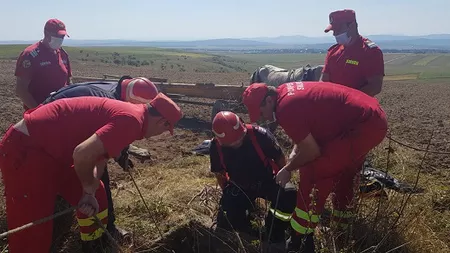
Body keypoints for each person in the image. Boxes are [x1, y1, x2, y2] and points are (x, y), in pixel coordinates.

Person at [0, 93, 182, 253]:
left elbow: (99, 156)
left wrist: (91, 191)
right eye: (166, 129)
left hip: (52, 153)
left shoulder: (134, 116)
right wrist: (87, 189)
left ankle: (92, 246)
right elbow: (82, 154)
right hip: (26, 150)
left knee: (99, 194)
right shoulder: (132, 121)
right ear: (162, 122)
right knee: (33, 235)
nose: (162, 134)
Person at [242, 82, 388, 253]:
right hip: (371, 117)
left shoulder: (285, 109)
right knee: (345, 175)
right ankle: (342, 232)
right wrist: (295, 153)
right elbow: (307, 131)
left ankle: (299, 241)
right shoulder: (285, 92)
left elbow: (312, 151)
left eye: (260, 112)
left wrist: (288, 169)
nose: (263, 118)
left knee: (313, 173)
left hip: (363, 125)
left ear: (268, 100)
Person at [41, 76, 159, 241]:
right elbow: (98, 147)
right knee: (97, 179)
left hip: (57, 118)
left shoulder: (118, 89)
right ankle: (105, 231)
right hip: (52, 129)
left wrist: (120, 153)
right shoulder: (109, 100)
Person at [210, 111, 296, 244]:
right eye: (232, 144)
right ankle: (247, 229)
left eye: (239, 139)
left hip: (266, 180)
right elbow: (220, 173)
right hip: (239, 185)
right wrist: (228, 193)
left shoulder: (260, 135)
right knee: (226, 221)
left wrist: (283, 176)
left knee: (288, 193)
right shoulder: (215, 146)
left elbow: (279, 157)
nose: (237, 144)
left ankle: (275, 231)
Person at [321, 9, 385, 97]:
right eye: (333, 30)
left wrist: (347, 100)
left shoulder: (370, 52)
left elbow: (375, 86)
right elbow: (324, 82)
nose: (335, 34)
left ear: (353, 25)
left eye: (338, 29)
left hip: (358, 108)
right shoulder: (332, 52)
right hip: (334, 106)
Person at [14, 18, 72, 110]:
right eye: (58, 36)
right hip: (38, 114)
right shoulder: (30, 55)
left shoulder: (63, 54)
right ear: (47, 34)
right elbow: (21, 90)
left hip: (60, 112)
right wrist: (38, 111)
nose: (60, 39)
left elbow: (68, 83)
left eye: (62, 37)